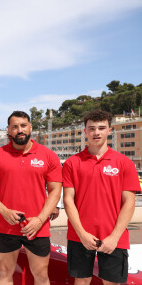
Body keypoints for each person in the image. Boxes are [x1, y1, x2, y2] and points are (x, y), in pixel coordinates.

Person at [0, 110, 62, 285]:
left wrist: (40, 220)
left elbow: (55, 191)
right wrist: (4, 212)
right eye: (15, 127)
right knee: (5, 272)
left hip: (37, 226)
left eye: (23, 126)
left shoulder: (48, 156)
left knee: (41, 275)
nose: (20, 130)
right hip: (6, 225)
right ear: (8, 130)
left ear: (30, 127)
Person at [63, 109, 141, 285]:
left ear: (109, 130)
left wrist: (114, 237)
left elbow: (129, 202)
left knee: (111, 282)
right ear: (85, 131)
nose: (96, 132)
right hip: (79, 235)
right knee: (81, 281)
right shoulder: (71, 163)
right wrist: (82, 234)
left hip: (115, 236)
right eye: (91, 128)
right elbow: (68, 200)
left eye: (101, 128)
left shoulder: (124, 163)